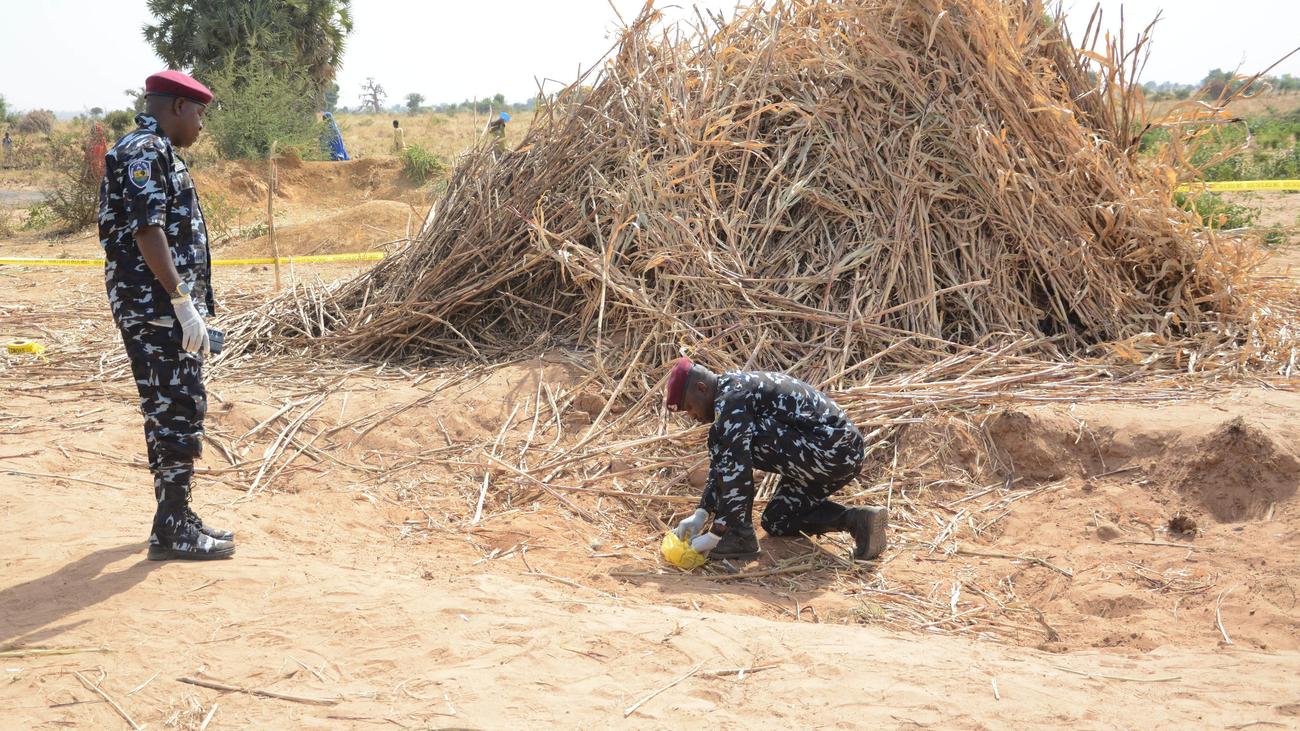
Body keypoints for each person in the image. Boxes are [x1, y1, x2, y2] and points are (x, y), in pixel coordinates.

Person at [99, 69, 234, 560]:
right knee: (177, 409)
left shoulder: (155, 150)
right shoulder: (146, 152)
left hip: (160, 307)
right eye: (198, 113)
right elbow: (147, 230)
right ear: (178, 106)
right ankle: (173, 526)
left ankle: (174, 515)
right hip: (156, 308)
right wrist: (180, 301)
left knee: (170, 409)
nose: (200, 124)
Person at [665, 357, 887, 562]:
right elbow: (722, 458)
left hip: (834, 450)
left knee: (737, 444)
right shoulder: (731, 393)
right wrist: (701, 513)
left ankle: (738, 535)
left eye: (689, 407)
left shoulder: (732, 397)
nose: (692, 416)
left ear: (701, 388)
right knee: (778, 520)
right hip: (836, 456)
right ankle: (857, 521)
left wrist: (717, 532)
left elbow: (735, 467)